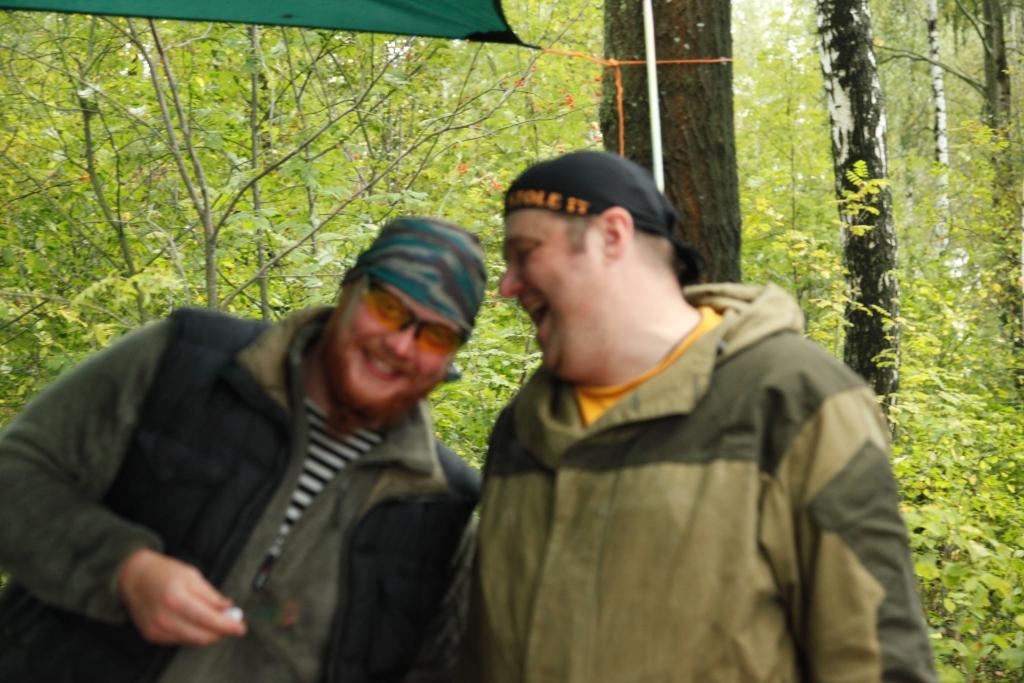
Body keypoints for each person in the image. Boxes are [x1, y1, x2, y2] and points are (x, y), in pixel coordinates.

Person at [461, 151, 937, 682]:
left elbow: (877, 660)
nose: (507, 286)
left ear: (611, 236)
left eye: (525, 253)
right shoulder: (523, 425)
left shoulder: (792, 399)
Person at [0, 217, 487, 683]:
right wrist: (125, 570)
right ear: (347, 292)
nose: (401, 345)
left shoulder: (443, 505)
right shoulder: (185, 363)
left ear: (450, 358)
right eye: (387, 309)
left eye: (435, 335)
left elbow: (438, 670)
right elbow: (15, 473)